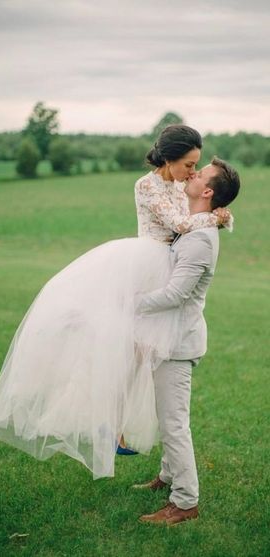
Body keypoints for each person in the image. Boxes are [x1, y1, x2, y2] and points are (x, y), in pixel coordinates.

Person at [0, 125, 231, 479]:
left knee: (147, 355)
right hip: (147, 261)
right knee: (117, 346)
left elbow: (189, 221)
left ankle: (121, 429)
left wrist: (217, 213)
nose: (193, 171)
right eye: (189, 164)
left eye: (196, 166)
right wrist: (216, 215)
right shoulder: (146, 185)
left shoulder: (181, 184)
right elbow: (178, 222)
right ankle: (108, 423)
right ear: (169, 158)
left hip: (169, 264)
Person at [134, 158, 240, 525]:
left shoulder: (198, 240)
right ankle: (167, 476)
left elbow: (175, 294)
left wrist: (130, 304)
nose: (192, 174)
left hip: (178, 344)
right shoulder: (192, 226)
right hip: (169, 336)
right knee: (169, 416)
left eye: (200, 174)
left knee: (174, 422)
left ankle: (185, 502)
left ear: (208, 192)